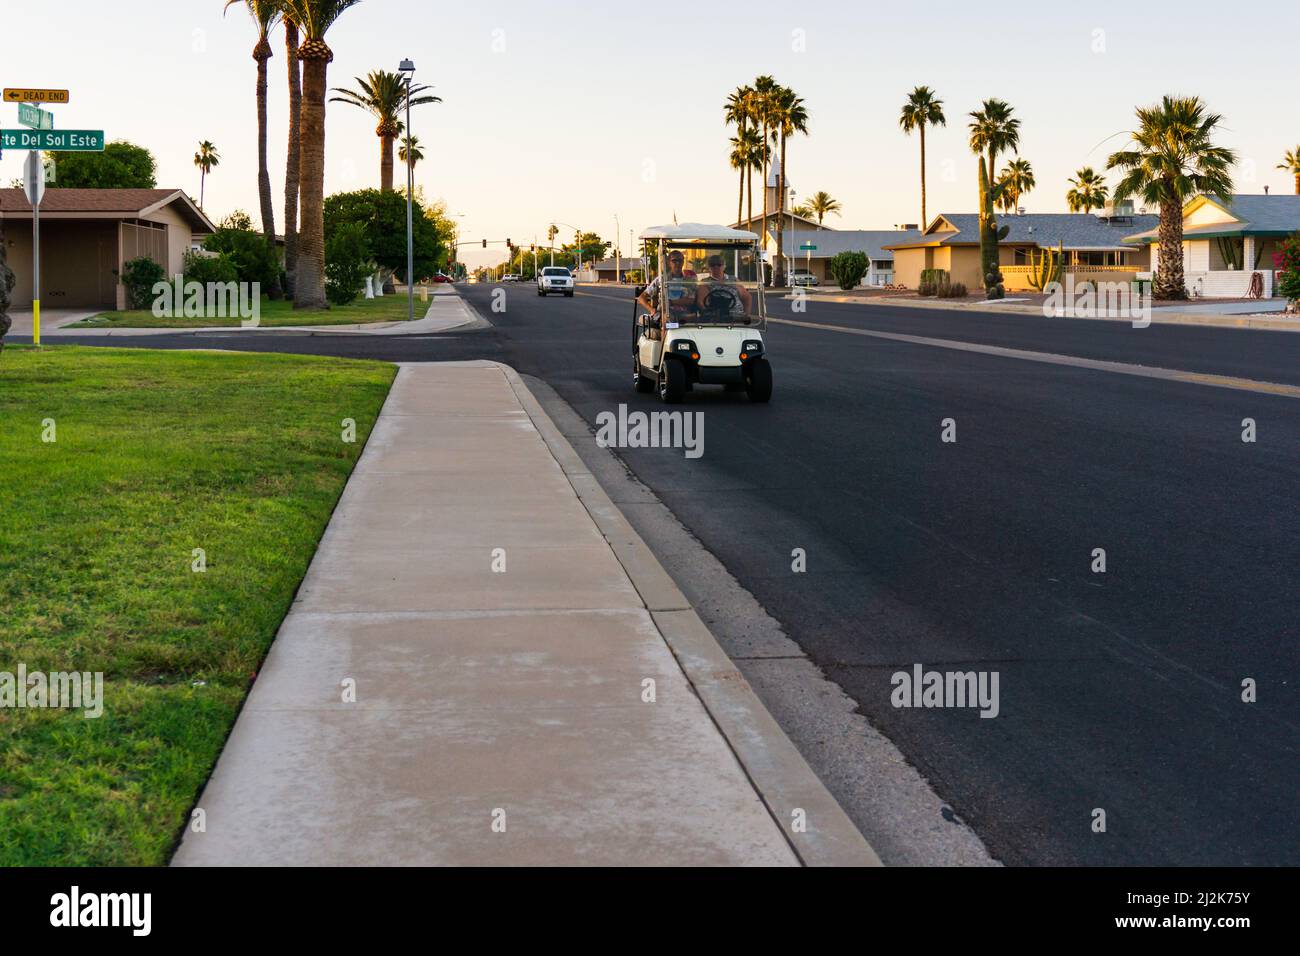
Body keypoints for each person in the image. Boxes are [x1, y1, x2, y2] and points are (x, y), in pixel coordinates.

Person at [636, 249, 696, 324]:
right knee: (667, 319)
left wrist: (670, 302)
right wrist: (651, 310)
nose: (677, 263)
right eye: (674, 261)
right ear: (669, 262)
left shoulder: (688, 281)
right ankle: (665, 335)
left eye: (680, 260)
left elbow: (690, 300)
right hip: (664, 312)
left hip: (684, 313)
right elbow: (641, 298)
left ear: (683, 262)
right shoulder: (661, 280)